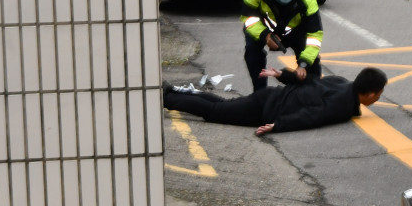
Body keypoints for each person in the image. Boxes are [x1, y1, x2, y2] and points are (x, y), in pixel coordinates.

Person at [164, 67, 388, 136]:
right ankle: (167, 97)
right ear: (369, 94)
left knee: (220, 104)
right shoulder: (341, 104)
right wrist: (278, 125)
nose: (378, 98)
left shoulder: (341, 81)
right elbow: (312, 117)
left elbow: (308, 81)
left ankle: (173, 91)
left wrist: (283, 75)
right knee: (214, 111)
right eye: (378, 94)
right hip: (267, 108)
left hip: (271, 97)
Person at [242, 0, 324, 91]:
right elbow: (248, 19)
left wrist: (304, 64)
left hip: (295, 31)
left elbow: (315, 35)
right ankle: (260, 94)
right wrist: (265, 35)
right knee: (252, 53)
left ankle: (313, 95)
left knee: (312, 65)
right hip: (263, 27)